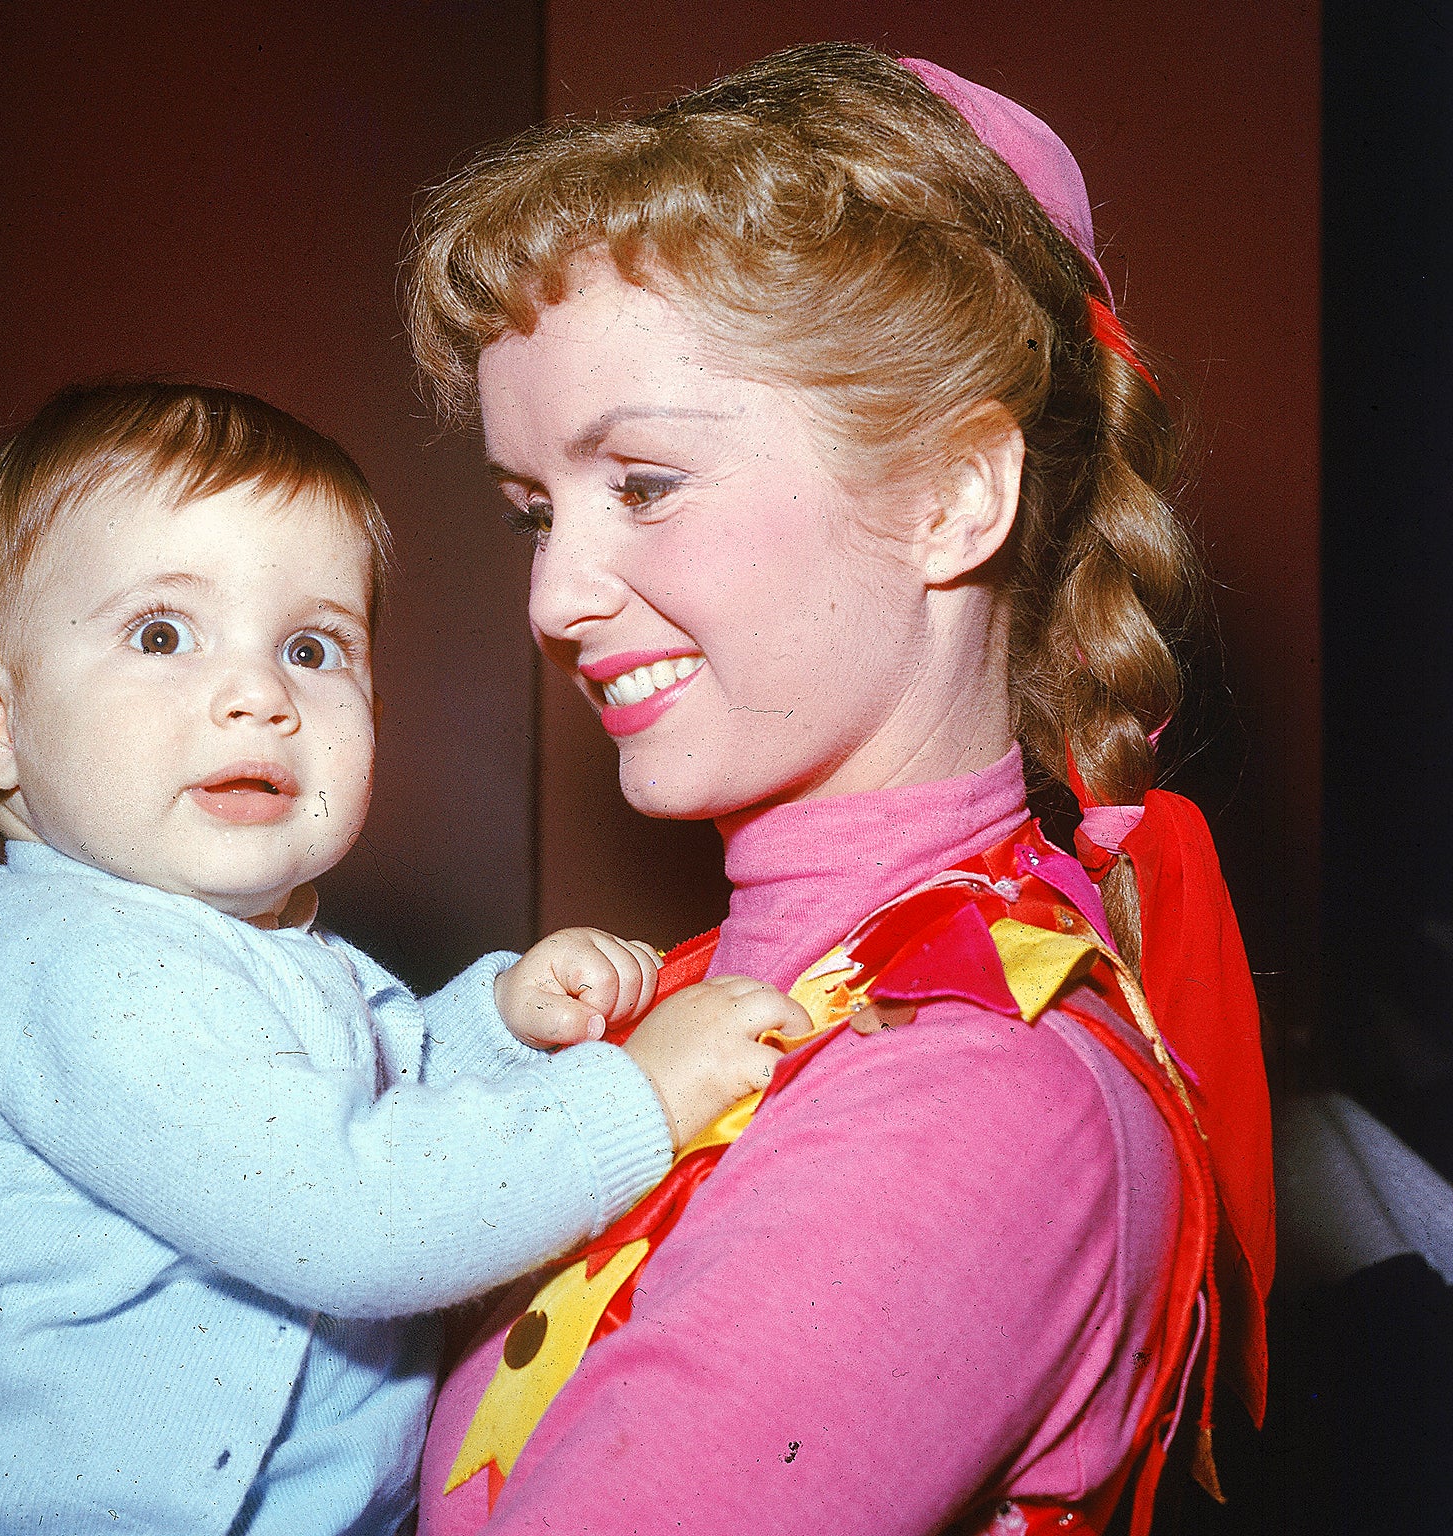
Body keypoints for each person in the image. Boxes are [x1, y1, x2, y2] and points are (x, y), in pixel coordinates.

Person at [402, 44, 1274, 1536]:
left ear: (949, 498)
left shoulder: (972, 1095)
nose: (554, 595)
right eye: (533, 509)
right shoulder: (699, 1002)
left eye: (646, 484)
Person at [0, 380, 790, 1535]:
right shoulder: (60, 963)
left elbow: (344, 1108)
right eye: (160, 634)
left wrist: (497, 1029)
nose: (259, 696)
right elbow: (350, 1217)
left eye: (313, 647)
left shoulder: (253, 949)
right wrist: (634, 1097)